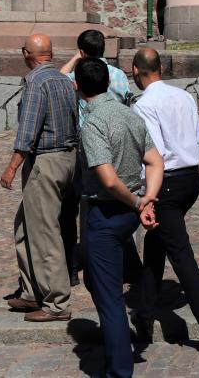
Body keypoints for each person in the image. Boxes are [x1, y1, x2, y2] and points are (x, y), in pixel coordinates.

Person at [129, 47, 199, 353]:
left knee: (181, 256)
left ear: (136, 71)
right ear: (161, 68)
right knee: (157, 245)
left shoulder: (144, 105)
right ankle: (143, 315)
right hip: (191, 179)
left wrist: (147, 196)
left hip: (166, 184)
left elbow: (153, 155)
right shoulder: (184, 96)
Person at [76, 56, 164, 378]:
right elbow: (156, 162)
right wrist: (147, 199)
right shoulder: (130, 114)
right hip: (127, 213)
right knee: (98, 280)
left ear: (78, 87)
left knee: (110, 300)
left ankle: (119, 371)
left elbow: (108, 180)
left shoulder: (94, 123)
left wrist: (140, 201)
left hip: (109, 212)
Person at [0, 32, 79, 322]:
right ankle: (32, 291)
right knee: (24, 226)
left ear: (26, 53)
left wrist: (11, 168)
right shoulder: (62, 80)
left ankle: (57, 303)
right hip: (67, 159)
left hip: (45, 162)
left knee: (45, 233)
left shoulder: (36, 82)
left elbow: (27, 132)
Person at [58, 29, 136, 287]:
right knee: (117, 199)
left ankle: (73, 267)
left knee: (77, 205)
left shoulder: (77, 74)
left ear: (82, 51)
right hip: (117, 142)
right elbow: (127, 102)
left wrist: (74, 58)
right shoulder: (118, 75)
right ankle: (127, 264)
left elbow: (59, 78)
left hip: (88, 146)